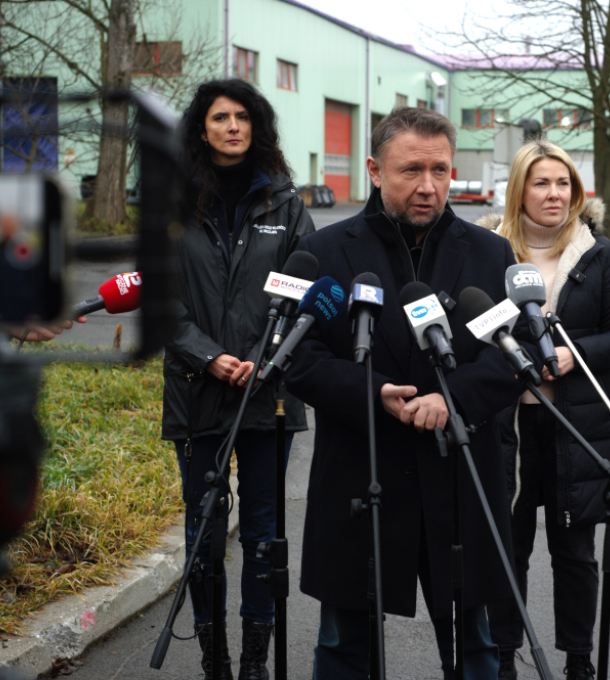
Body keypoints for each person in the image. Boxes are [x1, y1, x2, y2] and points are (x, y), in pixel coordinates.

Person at [284, 107, 530, 679]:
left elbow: (515, 355)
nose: (428, 187)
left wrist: (453, 398)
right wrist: (371, 391)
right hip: (361, 474)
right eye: (411, 170)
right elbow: (298, 358)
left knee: (476, 647)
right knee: (344, 646)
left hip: (461, 476)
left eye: (440, 170)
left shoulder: (491, 254)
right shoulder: (325, 252)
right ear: (373, 169)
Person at [161, 79, 314, 680]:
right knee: (202, 531)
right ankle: (214, 660)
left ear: (257, 127)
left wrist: (263, 357)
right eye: (220, 117)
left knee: (261, 532)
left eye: (243, 117)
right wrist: (208, 356)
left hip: (268, 391)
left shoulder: (284, 201)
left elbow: (304, 288)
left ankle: (254, 662)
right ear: (201, 128)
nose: (232, 126)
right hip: (197, 390)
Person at [478, 141, 610, 680]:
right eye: (542, 183)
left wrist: (575, 356)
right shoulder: (489, 250)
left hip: (577, 426)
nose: (554, 194)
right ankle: (503, 657)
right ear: (519, 190)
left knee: (575, 552)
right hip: (507, 427)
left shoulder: (597, 254)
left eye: (563, 183)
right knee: (508, 549)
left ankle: (578, 661)